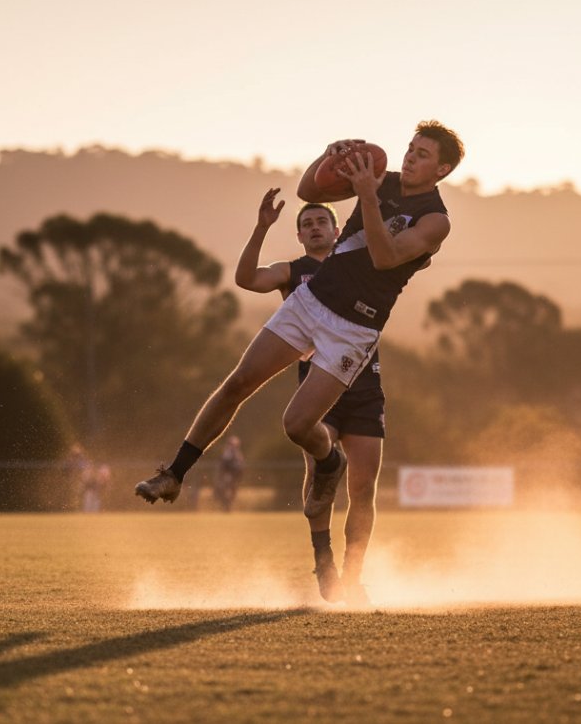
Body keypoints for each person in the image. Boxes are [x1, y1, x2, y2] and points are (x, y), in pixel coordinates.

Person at [135, 119, 463, 571]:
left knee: (296, 424)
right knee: (238, 382)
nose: (409, 157)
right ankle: (174, 473)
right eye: (411, 147)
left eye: (422, 154)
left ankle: (330, 465)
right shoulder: (380, 175)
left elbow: (386, 256)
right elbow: (313, 190)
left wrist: (367, 193)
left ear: (441, 170)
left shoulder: (435, 219)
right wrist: (330, 158)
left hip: (354, 328)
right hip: (313, 301)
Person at [233, 195, 385, 604]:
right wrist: (262, 226)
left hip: (365, 387)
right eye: (308, 223)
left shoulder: (361, 262)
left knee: (364, 487)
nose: (316, 226)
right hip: (318, 388)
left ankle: (354, 578)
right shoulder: (294, 271)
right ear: (299, 236)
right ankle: (324, 560)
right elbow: (247, 278)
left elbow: (398, 256)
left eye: (323, 221)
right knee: (322, 475)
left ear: (338, 231)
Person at [213, 435, 245, 512]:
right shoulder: (227, 453)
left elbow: (240, 467)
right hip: (228, 475)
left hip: (234, 476)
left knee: (232, 491)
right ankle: (225, 506)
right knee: (225, 490)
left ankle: (227, 505)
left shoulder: (238, 454)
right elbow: (224, 465)